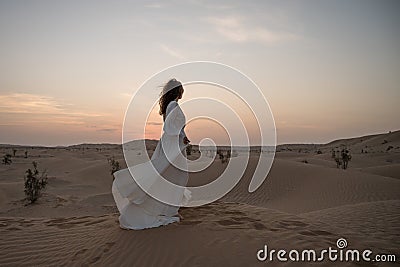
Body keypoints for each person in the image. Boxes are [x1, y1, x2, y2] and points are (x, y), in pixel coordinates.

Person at [112, 78, 190, 230]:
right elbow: (171, 127)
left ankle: (168, 209)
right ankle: (166, 211)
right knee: (175, 176)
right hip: (173, 144)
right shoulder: (173, 105)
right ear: (177, 91)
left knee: (170, 176)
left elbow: (173, 126)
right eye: (181, 89)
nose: (182, 92)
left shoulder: (170, 105)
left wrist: (182, 135)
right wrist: (181, 136)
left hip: (173, 144)